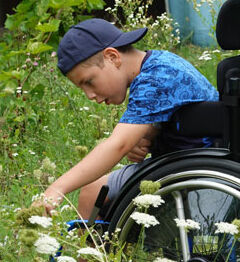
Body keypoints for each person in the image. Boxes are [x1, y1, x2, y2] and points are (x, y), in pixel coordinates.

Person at [36, 18, 218, 218]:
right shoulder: (160, 62)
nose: (89, 95)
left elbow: (118, 145)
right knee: (92, 190)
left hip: (192, 168)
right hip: (191, 159)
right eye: (82, 88)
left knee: (92, 191)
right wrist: (150, 133)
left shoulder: (155, 78)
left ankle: (89, 247)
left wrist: (57, 187)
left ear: (112, 57)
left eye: (89, 82)